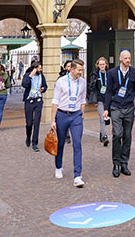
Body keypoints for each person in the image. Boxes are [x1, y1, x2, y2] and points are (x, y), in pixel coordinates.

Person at [103, 49, 135, 177]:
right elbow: (108, 91)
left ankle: (124, 162)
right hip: (116, 107)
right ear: (120, 59)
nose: (128, 60)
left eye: (129, 58)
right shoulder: (112, 73)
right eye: (125, 58)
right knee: (117, 134)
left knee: (127, 135)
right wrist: (106, 108)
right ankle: (116, 163)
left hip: (129, 107)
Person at [50, 59, 87, 188]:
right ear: (72, 69)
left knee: (77, 143)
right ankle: (58, 166)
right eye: (79, 70)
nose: (81, 72)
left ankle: (77, 175)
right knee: (60, 143)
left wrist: (81, 115)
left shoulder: (83, 82)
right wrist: (53, 120)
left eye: (82, 70)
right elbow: (55, 101)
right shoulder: (61, 82)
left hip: (76, 115)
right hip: (62, 114)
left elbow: (83, 100)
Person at [22, 60, 47, 151]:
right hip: (29, 101)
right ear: (35, 68)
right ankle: (28, 136)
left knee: (36, 122)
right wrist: (30, 75)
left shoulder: (42, 76)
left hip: (38, 100)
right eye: (39, 68)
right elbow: (24, 85)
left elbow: (45, 86)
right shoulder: (28, 75)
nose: (41, 69)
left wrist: (43, 88)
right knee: (29, 123)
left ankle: (34, 142)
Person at [88, 57, 110, 147]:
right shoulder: (95, 75)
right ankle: (105, 136)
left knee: (108, 119)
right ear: (97, 65)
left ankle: (102, 133)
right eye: (100, 64)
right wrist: (95, 100)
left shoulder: (109, 74)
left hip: (108, 99)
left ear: (106, 65)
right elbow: (92, 88)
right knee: (102, 118)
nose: (102, 66)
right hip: (99, 99)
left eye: (103, 64)